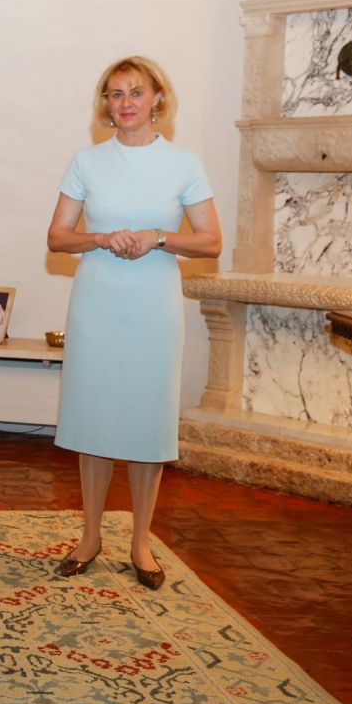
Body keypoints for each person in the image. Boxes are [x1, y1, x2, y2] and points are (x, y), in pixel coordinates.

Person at [45, 56, 221, 590]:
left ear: (157, 99)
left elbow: (211, 241)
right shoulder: (87, 161)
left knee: (148, 422)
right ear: (106, 103)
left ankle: (141, 541)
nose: (125, 102)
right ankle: (90, 536)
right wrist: (100, 238)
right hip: (97, 303)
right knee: (94, 421)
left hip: (154, 308)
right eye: (115, 93)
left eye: (136, 92)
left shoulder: (184, 163)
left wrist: (157, 236)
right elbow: (57, 237)